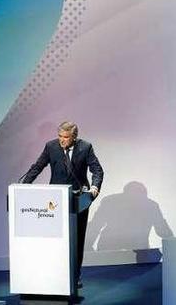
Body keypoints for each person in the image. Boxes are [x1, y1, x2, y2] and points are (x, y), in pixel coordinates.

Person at [21, 121, 104, 289]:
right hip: (55, 200)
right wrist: (24, 186)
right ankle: (56, 274)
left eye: (65, 137)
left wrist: (95, 187)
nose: (62, 140)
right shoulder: (51, 146)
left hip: (79, 200)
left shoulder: (85, 147)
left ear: (74, 137)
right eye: (60, 136)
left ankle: (75, 276)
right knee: (57, 239)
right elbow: (37, 167)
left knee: (77, 239)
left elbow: (97, 170)